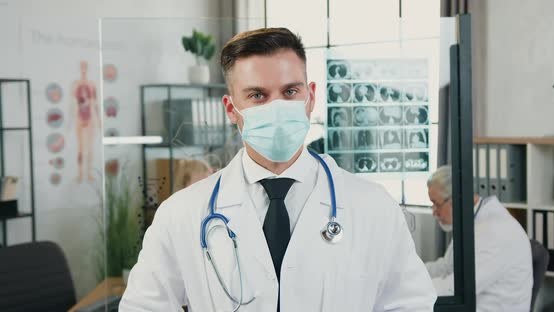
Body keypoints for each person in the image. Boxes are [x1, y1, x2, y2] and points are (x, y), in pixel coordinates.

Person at [120, 27, 436, 311]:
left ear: (310, 97)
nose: (277, 107)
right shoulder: (182, 213)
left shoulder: (372, 206)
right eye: (258, 95)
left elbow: (410, 304)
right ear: (231, 109)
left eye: (290, 92)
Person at [425, 166, 532, 311]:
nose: (434, 212)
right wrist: (410, 272)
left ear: (457, 199)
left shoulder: (494, 233)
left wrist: (408, 287)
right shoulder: (472, 221)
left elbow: (455, 289)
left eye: (436, 204)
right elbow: (446, 267)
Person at [70, 60, 100, 182]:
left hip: (90, 117)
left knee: (90, 147)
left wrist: (99, 120)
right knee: (80, 147)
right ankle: (80, 174)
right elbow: (72, 104)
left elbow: (96, 103)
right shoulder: (75, 84)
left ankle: (88, 173)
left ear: (87, 69)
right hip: (79, 117)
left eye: (85, 67)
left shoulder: (92, 84)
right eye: (81, 67)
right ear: (79, 68)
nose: (83, 69)